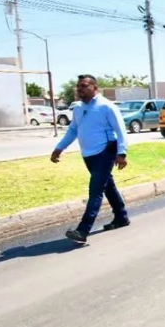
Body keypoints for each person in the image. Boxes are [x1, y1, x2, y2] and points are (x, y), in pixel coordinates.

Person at [51, 74, 129, 244]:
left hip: (105, 151)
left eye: (84, 86)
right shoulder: (78, 108)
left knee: (96, 190)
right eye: (78, 86)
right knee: (107, 186)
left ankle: (83, 230)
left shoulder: (106, 107)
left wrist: (122, 153)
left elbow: (121, 131)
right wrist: (59, 147)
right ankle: (121, 217)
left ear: (95, 88)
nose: (80, 89)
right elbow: (73, 130)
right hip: (88, 154)